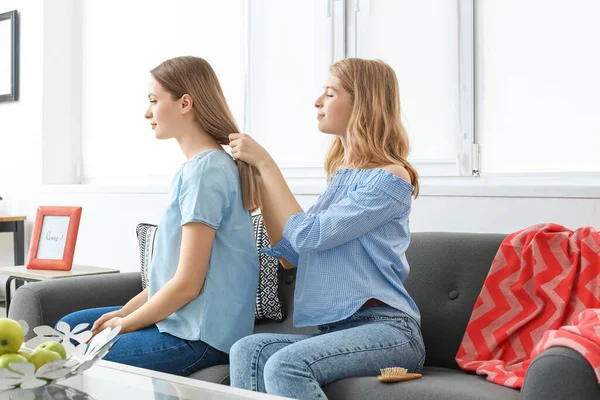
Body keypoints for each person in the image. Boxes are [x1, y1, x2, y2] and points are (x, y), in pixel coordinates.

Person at [228, 58, 425, 399]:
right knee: (248, 350)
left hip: (389, 332)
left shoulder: (390, 178)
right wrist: (259, 178)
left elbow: (309, 234)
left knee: (284, 365)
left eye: (330, 93)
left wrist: (266, 163)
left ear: (361, 103)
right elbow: (291, 255)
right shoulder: (341, 180)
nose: (317, 102)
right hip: (338, 331)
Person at [59, 56, 260, 376]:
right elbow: (167, 282)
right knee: (69, 328)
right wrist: (123, 314)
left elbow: (186, 286)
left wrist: (123, 325)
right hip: (179, 321)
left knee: (73, 355)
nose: (147, 112)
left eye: (153, 101)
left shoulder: (207, 171)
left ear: (185, 103)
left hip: (200, 338)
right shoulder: (196, 168)